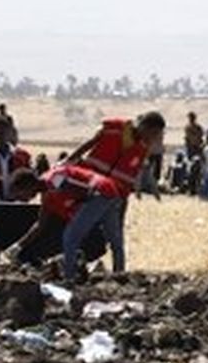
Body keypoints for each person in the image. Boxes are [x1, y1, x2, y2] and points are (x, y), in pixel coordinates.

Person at [57, 111, 166, 280]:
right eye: (153, 134)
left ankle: (118, 277)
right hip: (93, 189)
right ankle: (70, 277)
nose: (153, 139)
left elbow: (129, 180)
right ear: (145, 127)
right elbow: (90, 143)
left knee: (111, 241)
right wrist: (69, 161)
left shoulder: (142, 149)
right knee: (74, 236)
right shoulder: (115, 128)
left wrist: (123, 207)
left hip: (111, 198)